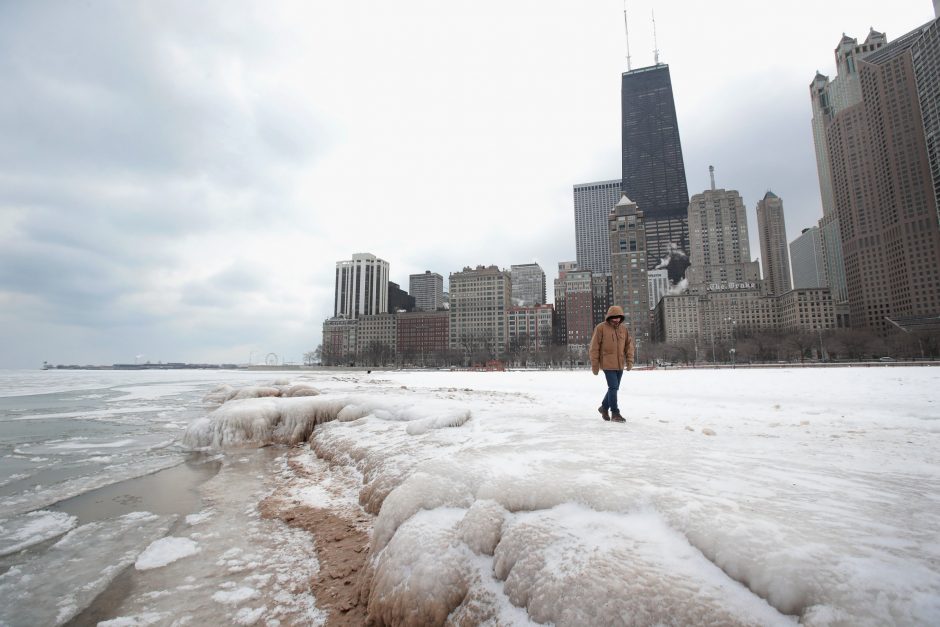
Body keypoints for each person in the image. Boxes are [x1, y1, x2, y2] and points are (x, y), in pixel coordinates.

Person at [589, 305, 635, 423]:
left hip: (620, 363)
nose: (616, 320)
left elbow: (628, 346)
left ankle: (604, 407)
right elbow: (594, 347)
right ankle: (615, 413)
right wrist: (595, 365)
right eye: (613, 317)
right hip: (607, 363)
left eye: (618, 317)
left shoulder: (624, 329)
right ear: (609, 317)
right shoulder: (601, 328)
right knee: (613, 387)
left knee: (614, 388)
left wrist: (629, 360)